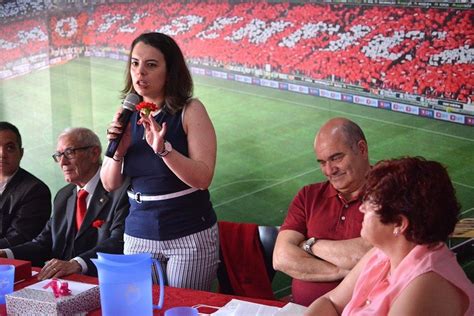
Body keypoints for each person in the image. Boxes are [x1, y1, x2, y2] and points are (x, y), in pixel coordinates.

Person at [100, 32, 218, 290]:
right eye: (134, 63)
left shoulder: (190, 110)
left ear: (170, 70)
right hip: (138, 234)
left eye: (151, 65)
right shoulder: (126, 113)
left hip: (188, 235)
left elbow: (203, 178)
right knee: (143, 308)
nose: (139, 72)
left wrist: (164, 150)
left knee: (181, 307)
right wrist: (118, 151)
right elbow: (109, 184)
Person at [306, 157, 474, 315]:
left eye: (370, 203)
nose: (362, 208)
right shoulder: (382, 254)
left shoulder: (426, 284)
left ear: (399, 224)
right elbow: (331, 302)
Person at [0, 127, 129, 279]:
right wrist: (6, 253)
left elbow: (120, 242)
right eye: (59, 155)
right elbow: (43, 243)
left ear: (94, 153)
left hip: (105, 281)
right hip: (63, 284)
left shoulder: (121, 190)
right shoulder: (64, 195)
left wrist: (78, 263)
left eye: (69, 153)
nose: (62, 162)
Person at [273, 117, 373, 306]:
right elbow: (281, 257)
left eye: (336, 158)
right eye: (322, 162)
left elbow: (371, 253)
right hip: (302, 310)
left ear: (362, 149)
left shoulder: (390, 195)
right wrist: (343, 271)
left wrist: (309, 245)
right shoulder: (308, 196)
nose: (329, 170)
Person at [0, 121, 51, 248]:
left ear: (21, 153)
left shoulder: (35, 190)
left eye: (10, 147)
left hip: (12, 263)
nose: (2, 154)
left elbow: (18, 238)